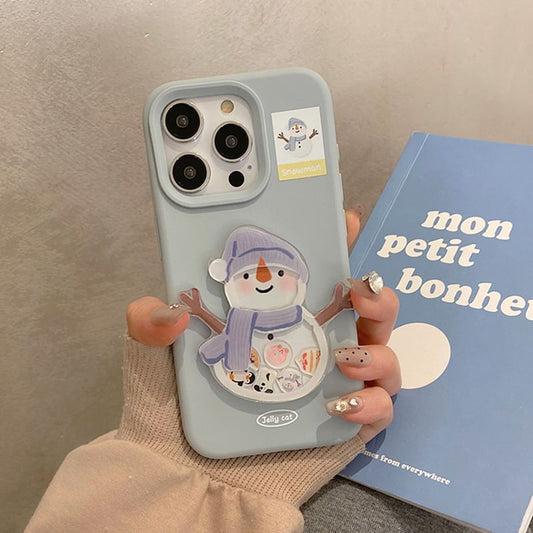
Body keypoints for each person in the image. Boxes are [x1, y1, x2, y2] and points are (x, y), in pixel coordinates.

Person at [26, 211, 401, 533]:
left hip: (294, 379)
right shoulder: (239, 322)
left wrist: (157, 469)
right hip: (255, 386)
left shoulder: (289, 319)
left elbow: (310, 324)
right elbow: (225, 332)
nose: (264, 281)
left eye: (278, 271)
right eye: (248, 276)